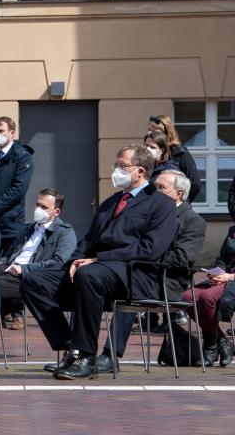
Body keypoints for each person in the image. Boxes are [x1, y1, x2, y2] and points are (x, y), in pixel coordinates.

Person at [21, 144, 177, 380]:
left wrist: (97, 259)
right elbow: (90, 239)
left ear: (141, 171)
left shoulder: (160, 204)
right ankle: (71, 345)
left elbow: (151, 248)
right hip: (96, 269)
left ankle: (86, 356)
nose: (116, 170)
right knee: (32, 280)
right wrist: (75, 260)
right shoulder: (111, 202)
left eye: (122, 166)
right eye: (116, 165)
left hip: (132, 273)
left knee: (89, 275)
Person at [95, 170, 207, 372]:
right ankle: (77, 353)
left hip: (165, 280)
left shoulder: (192, 220)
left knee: (129, 292)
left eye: (160, 188)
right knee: (88, 281)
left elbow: (182, 258)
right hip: (134, 270)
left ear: (178, 194)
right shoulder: (149, 212)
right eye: (153, 187)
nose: (154, 192)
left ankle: (110, 355)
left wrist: (146, 254)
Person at [0, 188, 77, 367]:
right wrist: (2, 268)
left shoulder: (65, 232)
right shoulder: (27, 229)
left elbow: (59, 262)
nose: (38, 208)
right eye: (37, 204)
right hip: (11, 277)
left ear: (56, 211)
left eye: (44, 206)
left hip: (38, 279)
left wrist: (25, 269)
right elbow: (9, 254)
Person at [0, 116, 34, 328]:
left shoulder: (22, 156)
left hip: (10, 221)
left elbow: (18, 190)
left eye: (2, 130)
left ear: (12, 133)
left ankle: (16, 312)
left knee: (10, 267)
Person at [182, 230, 235, 367]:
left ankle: (210, 347)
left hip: (232, 279)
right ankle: (222, 341)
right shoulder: (232, 230)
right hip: (225, 277)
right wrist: (218, 273)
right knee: (187, 297)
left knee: (207, 297)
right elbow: (223, 258)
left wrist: (229, 277)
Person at [148, 115, 201, 202]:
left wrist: (182, 202)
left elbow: (195, 184)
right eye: (149, 130)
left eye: (154, 131)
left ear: (166, 133)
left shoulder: (180, 152)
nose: (150, 134)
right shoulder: (151, 153)